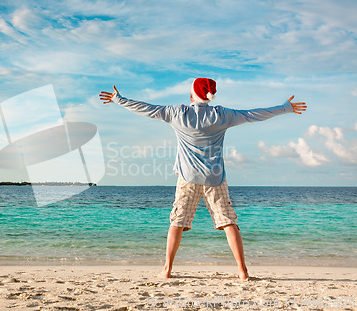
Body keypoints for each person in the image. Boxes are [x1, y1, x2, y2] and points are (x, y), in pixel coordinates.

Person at [98, 78, 307, 280]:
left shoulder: (178, 113)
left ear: (192, 94)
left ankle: (167, 269)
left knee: (177, 222)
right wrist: (285, 108)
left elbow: (147, 109)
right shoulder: (223, 115)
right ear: (211, 96)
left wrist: (119, 99)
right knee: (228, 222)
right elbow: (253, 114)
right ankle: (242, 272)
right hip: (215, 178)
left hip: (187, 177)